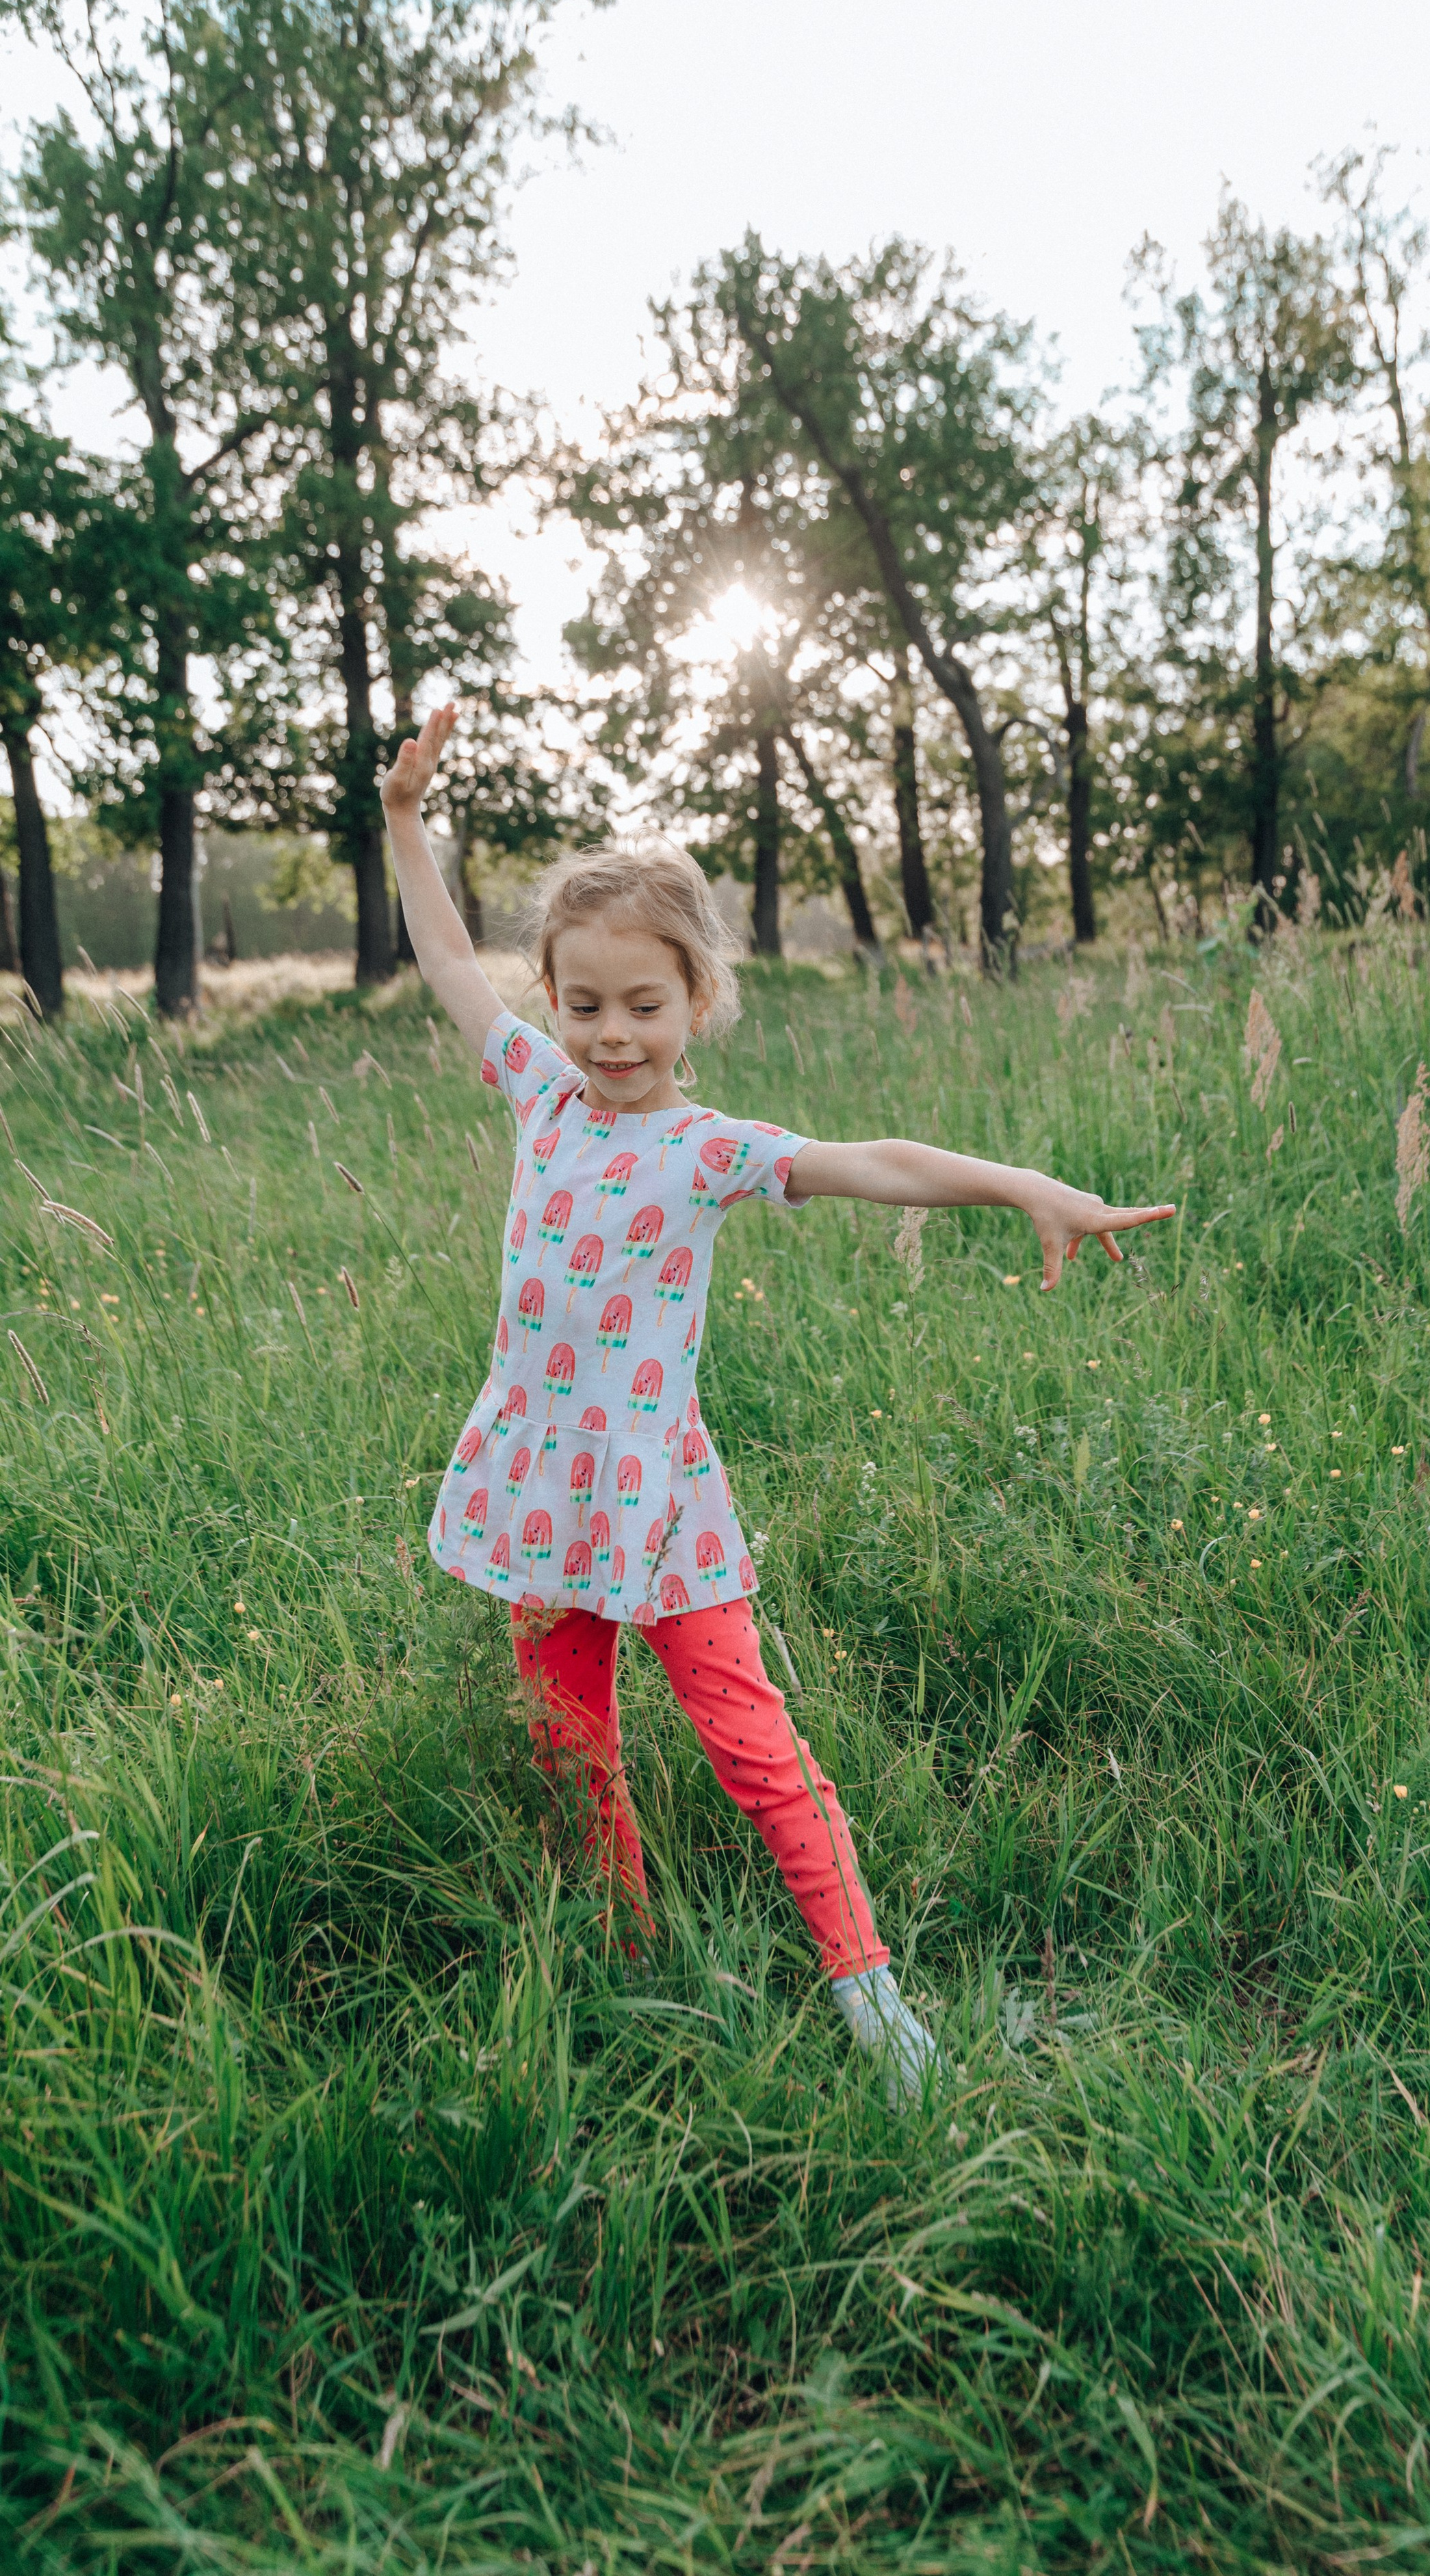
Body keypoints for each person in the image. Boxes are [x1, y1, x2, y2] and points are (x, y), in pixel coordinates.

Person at [382, 704, 1173, 2104]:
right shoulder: (539, 1100)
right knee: (569, 1738)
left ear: (697, 1002)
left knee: (752, 1745)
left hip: (655, 1502)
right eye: (583, 1004)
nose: (610, 1034)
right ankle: (619, 1953)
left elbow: (875, 1160)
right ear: (552, 1003)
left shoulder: (708, 1150)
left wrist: (1022, 1187)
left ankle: (867, 1990)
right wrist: (402, 821)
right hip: (535, 1477)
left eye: (643, 1004)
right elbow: (446, 958)